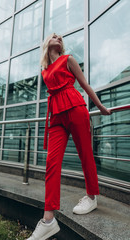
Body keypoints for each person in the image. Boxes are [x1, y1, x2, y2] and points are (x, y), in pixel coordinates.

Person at [27, 33, 111, 240]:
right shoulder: (44, 71)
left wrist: (99, 106)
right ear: (47, 43)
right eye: (54, 36)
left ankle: (91, 197)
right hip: (56, 115)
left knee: (85, 155)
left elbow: (84, 85)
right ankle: (48, 220)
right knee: (51, 163)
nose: (58, 37)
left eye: (60, 37)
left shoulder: (68, 60)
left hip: (75, 107)